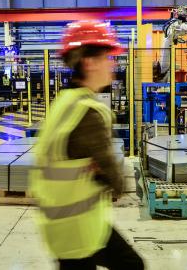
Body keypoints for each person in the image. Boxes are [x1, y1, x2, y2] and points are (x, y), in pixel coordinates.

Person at [30, 21, 145, 270]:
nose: (113, 64)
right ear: (89, 62)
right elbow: (114, 178)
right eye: (107, 57)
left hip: (61, 225)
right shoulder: (89, 112)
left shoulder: (64, 102)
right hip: (81, 228)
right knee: (132, 266)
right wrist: (110, 180)